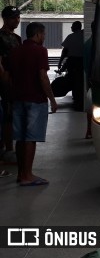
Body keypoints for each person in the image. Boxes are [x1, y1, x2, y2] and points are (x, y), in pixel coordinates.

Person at [7, 22, 57, 186]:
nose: (43, 37)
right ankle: (28, 175)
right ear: (38, 34)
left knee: (20, 138)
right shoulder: (40, 51)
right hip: (35, 99)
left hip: (17, 98)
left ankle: (21, 174)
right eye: (43, 34)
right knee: (31, 137)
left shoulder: (15, 51)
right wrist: (52, 99)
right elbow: (43, 76)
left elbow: (8, 75)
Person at [0, 5, 21, 167]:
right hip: (5, 82)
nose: (17, 20)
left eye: (18, 17)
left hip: (15, 80)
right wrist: (5, 81)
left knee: (13, 114)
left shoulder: (16, 38)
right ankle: (8, 149)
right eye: (13, 17)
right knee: (7, 114)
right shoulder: (0, 37)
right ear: (5, 19)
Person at [58, 21, 85, 111]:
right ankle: (79, 99)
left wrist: (60, 62)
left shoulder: (70, 37)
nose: (71, 28)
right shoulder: (84, 36)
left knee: (73, 80)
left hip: (73, 62)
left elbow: (65, 51)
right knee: (80, 81)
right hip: (83, 62)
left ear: (75, 27)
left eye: (72, 26)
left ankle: (76, 99)